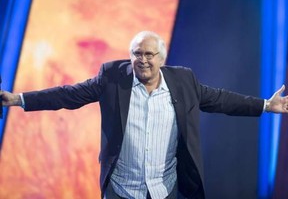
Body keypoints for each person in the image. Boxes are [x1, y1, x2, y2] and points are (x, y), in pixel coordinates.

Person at [1, 31, 288, 199]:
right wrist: (18, 99)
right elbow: (68, 94)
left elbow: (221, 100)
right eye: (137, 54)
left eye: (149, 54)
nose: (143, 60)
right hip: (121, 190)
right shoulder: (112, 78)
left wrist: (265, 105)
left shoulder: (183, 81)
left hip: (165, 190)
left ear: (162, 59)